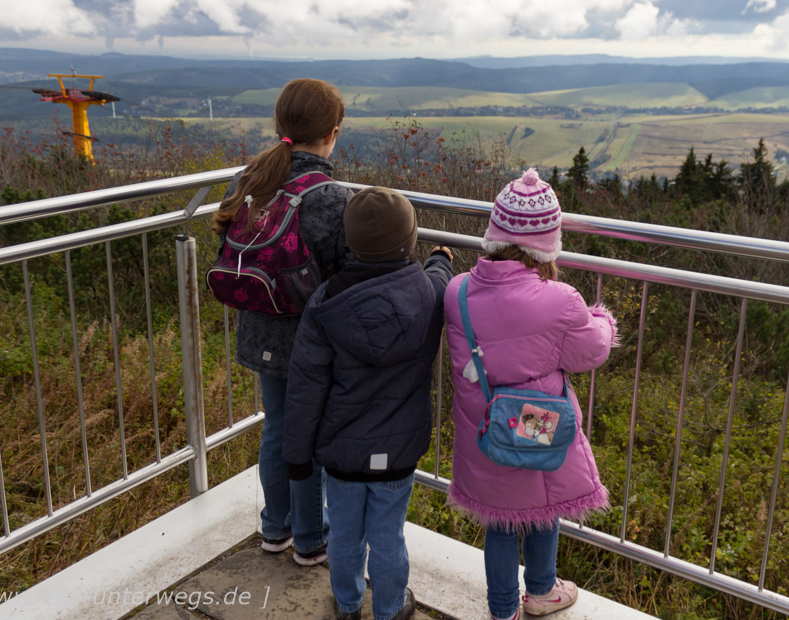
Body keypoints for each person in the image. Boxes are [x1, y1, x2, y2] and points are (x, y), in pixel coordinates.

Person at [442, 168, 617, 620]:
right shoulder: (560, 300)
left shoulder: (457, 292)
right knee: (543, 505)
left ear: (495, 234)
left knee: (500, 521)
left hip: (484, 428)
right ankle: (541, 590)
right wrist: (601, 317)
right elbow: (591, 350)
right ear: (547, 243)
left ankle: (502, 610)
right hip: (535, 424)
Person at [283, 187, 453, 620]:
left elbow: (305, 389)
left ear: (351, 240)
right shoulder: (429, 296)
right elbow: (438, 277)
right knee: (389, 536)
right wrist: (442, 258)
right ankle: (391, 608)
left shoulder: (324, 303)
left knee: (343, 535)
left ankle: (348, 604)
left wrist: (298, 458)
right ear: (410, 240)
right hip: (398, 452)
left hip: (341, 452)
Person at [211, 78, 351, 566]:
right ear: (332, 133)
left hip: (258, 332)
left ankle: (277, 528)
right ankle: (312, 540)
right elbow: (351, 279)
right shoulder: (332, 197)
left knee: (278, 429)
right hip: (314, 345)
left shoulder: (247, 180)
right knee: (310, 436)